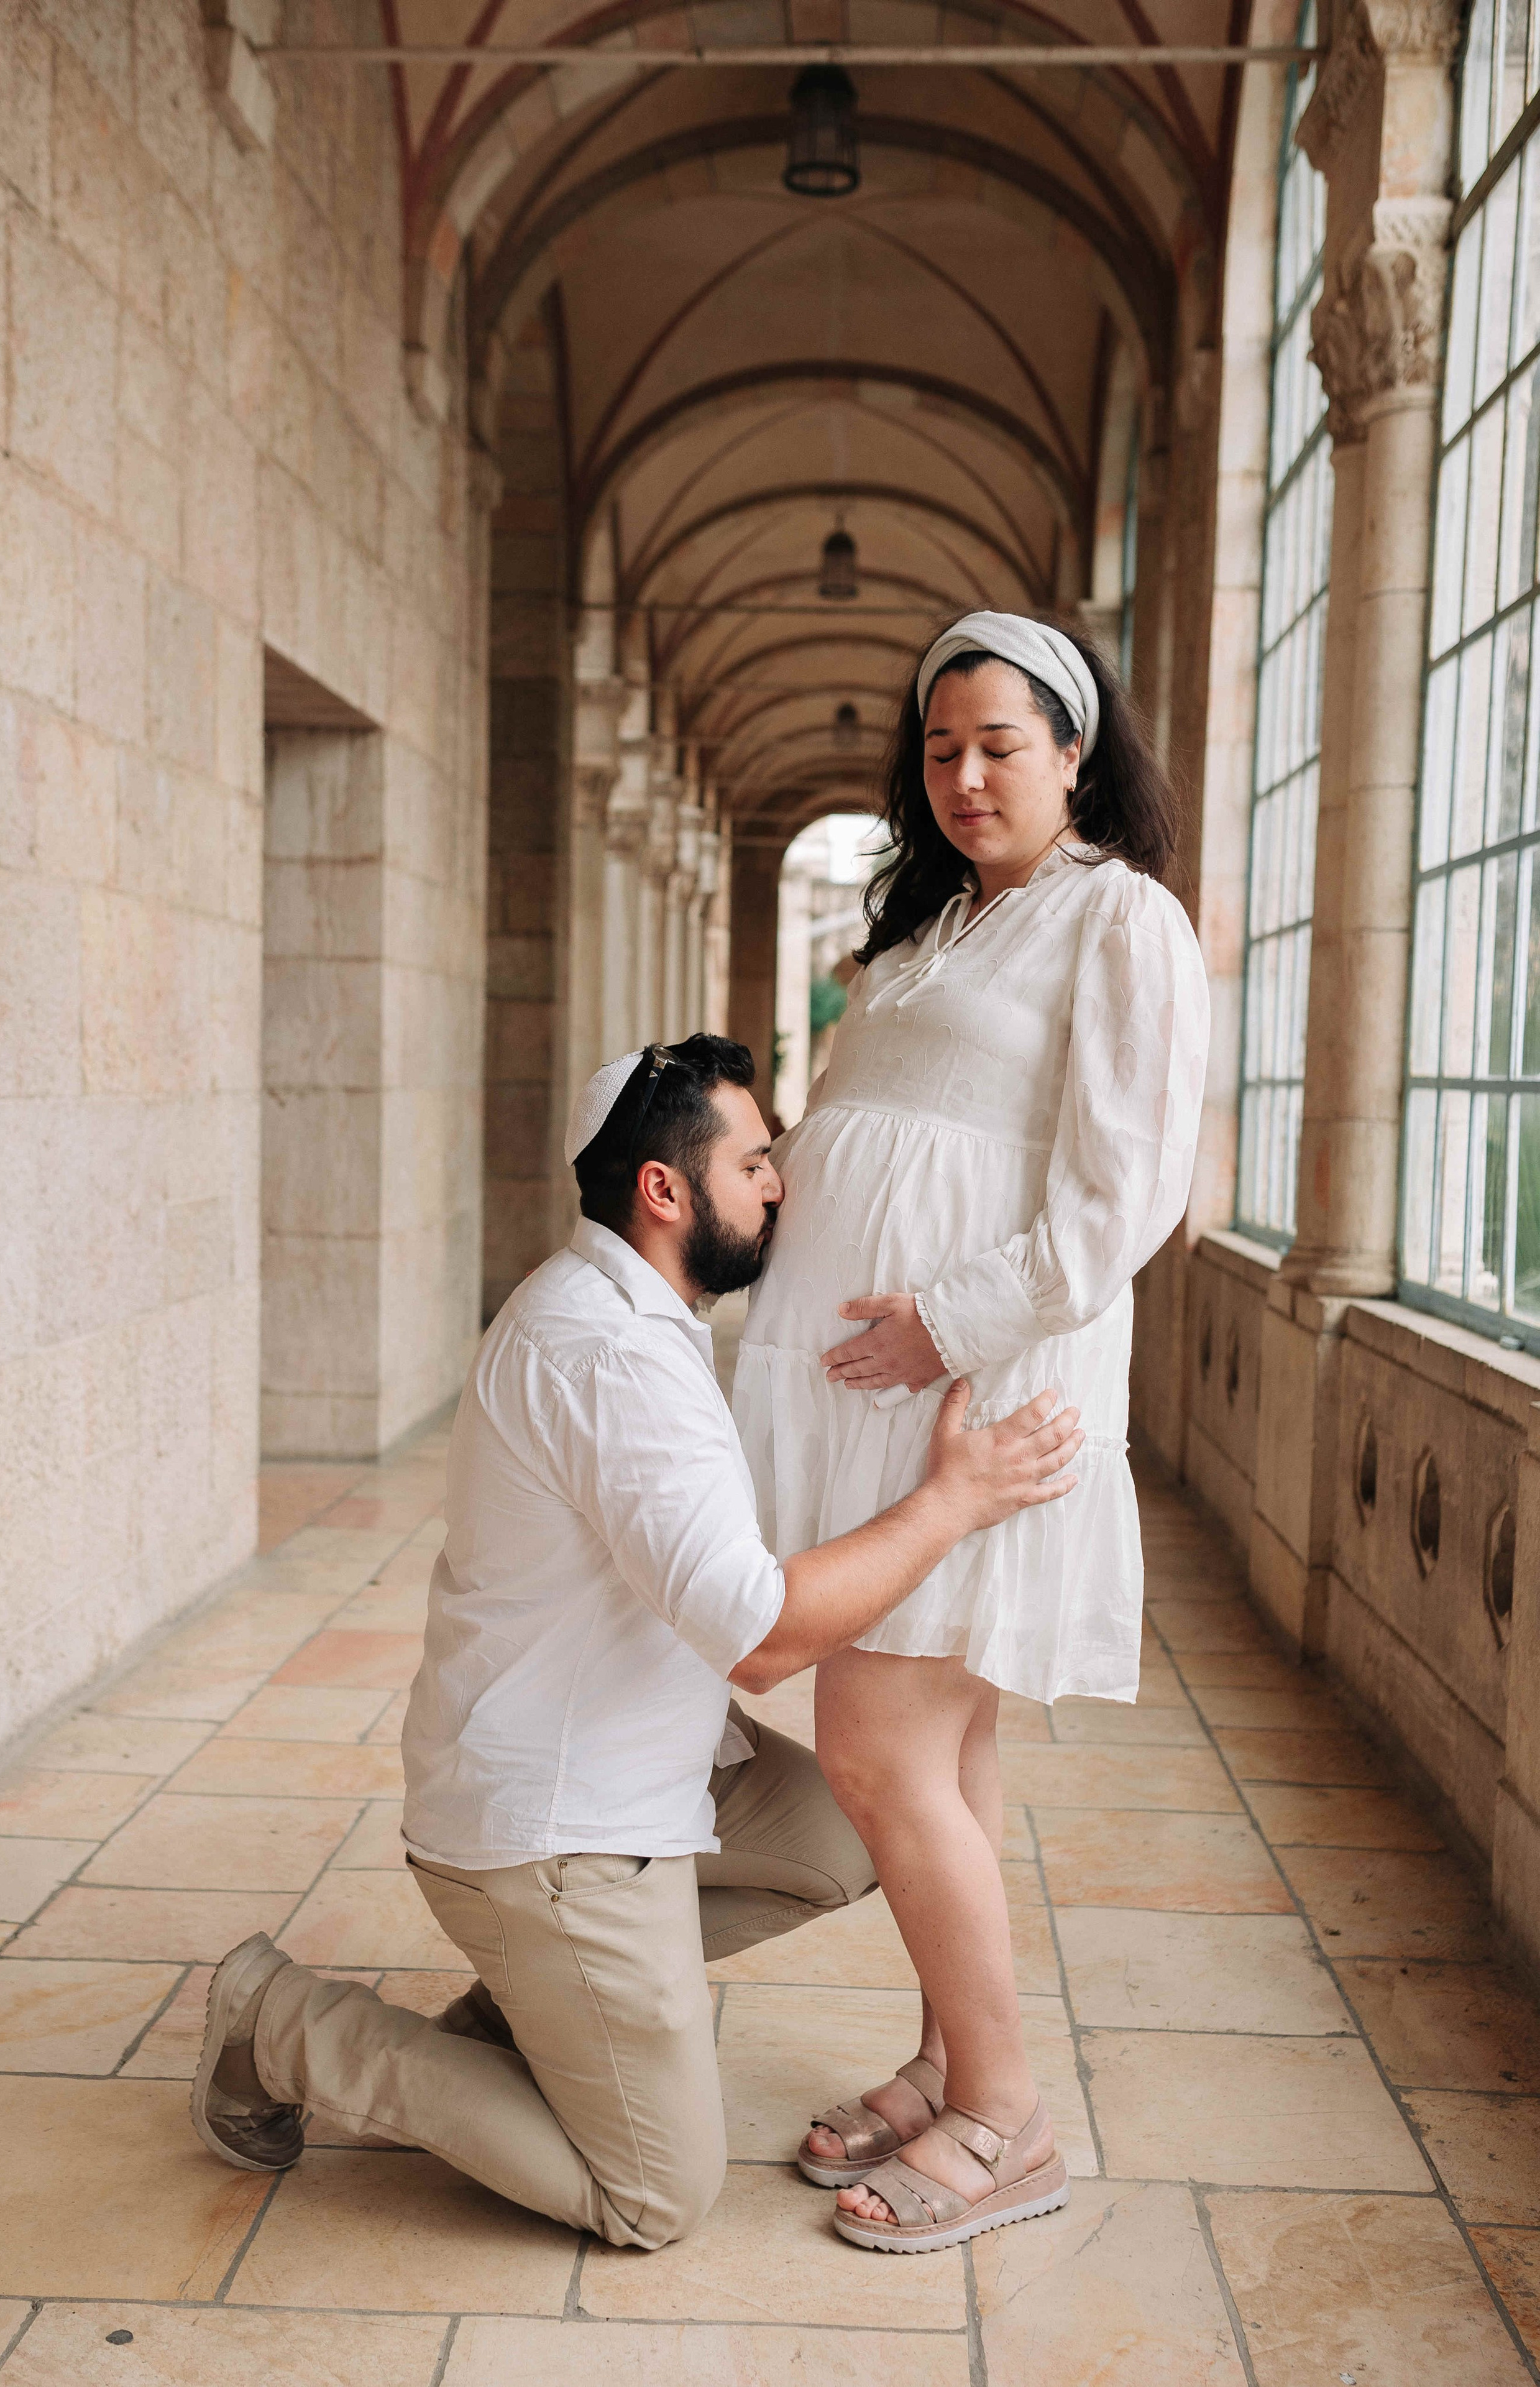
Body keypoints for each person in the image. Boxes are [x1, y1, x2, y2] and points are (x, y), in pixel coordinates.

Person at [189, 1033, 1084, 2251]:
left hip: (633, 1780)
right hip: (553, 1831)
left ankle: (540, 2012)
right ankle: (281, 2021)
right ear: (663, 1191)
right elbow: (763, 1640)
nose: (781, 1184)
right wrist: (949, 1502)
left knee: (847, 1833)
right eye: (755, 1161)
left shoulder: (629, 1310)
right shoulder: (606, 1352)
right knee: (653, 2195)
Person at [733, 613, 1211, 2251]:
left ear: (1077, 751)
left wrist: (944, 1323)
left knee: (872, 1736)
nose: (967, 774)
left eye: (1002, 743)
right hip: (865, 1396)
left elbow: (1125, 1195)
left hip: (976, 1398)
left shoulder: (1117, 922)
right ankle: (946, 2061)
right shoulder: (938, 930)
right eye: (941, 748)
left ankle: (1007, 2120)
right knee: (944, 1744)